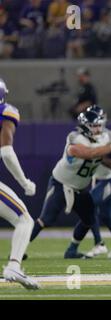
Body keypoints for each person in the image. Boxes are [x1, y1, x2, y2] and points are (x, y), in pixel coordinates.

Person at [30, 110, 111, 259]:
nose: (99, 129)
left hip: (80, 188)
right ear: (85, 126)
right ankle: (19, 250)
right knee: (45, 220)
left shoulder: (102, 140)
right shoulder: (75, 138)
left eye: (99, 125)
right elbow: (89, 153)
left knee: (89, 218)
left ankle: (71, 250)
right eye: (94, 126)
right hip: (61, 183)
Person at [0, 79, 39, 290]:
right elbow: (6, 151)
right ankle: (14, 266)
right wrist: (24, 182)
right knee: (24, 220)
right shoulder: (7, 111)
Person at [80, 105, 111, 258]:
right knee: (106, 215)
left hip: (110, 178)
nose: (95, 126)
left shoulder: (110, 136)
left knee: (89, 206)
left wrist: (94, 154)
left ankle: (99, 243)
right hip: (96, 178)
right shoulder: (84, 136)